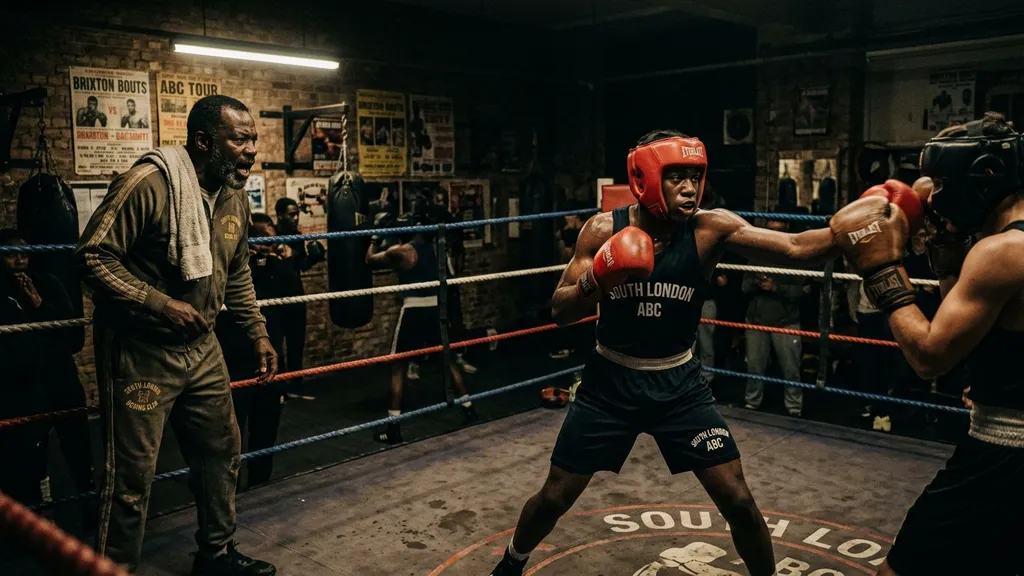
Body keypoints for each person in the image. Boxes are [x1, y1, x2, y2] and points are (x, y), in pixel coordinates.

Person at [489, 129, 853, 576]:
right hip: (609, 385)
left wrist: (855, 228)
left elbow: (795, 247)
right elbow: (560, 311)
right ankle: (511, 564)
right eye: (676, 176)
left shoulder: (709, 229)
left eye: (695, 176)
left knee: (737, 499)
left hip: (680, 386)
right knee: (556, 496)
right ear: (645, 179)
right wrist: (597, 279)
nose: (689, 187)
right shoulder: (604, 229)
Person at [75, 94, 278, 575]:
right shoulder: (149, 183)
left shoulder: (232, 196)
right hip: (140, 348)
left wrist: (257, 332)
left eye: (254, 139)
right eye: (240, 139)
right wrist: (159, 302)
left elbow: (238, 271)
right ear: (205, 141)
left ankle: (216, 554)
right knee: (131, 476)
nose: (251, 150)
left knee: (221, 453)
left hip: (203, 347)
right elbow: (91, 256)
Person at [829, 112, 1024, 576]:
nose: (934, 196)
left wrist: (881, 270)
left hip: (1005, 452)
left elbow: (930, 356)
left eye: (940, 182)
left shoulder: (1002, 252)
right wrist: (946, 247)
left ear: (981, 177)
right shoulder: (1006, 243)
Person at [365, 194, 477, 445]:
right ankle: (469, 410)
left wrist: (376, 235)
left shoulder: (402, 251)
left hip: (413, 311)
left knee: (397, 367)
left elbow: (369, 259)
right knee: (448, 361)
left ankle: (393, 429)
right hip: (436, 310)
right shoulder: (437, 249)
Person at [0, 228, 92, 512]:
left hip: (61, 381)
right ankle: (42, 520)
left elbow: (72, 335)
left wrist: (38, 304)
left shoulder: (48, 284)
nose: (19, 260)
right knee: (31, 462)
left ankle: (91, 513)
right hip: (23, 390)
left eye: (24, 253)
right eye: (11, 254)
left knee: (79, 451)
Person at [216, 214, 288, 489]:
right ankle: (227, 491)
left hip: (268, 362)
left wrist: (295, 366)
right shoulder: (230, 274)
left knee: (266, 429)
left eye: (271, 242)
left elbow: (295, 318)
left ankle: (260, 485)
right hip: (234, 364)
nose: (265, 249)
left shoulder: (280, 271)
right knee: (229, 433)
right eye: (261, 242)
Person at [741, 220, 807, 417]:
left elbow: (803, 292)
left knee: (791, 369)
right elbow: (743, 287)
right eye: (770, 230)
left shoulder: (794, 257)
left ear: (786, 230)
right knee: (754, 367)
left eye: (778, 230)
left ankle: (794, 407)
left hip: (786, 322)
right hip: (757, 321)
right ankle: (752, 402)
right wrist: (757, 283)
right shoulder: (756, 257)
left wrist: (776, 288)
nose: (774, 234)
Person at [273, 197, 324, 401]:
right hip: (275, 298)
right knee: (276, 345)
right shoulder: (270, 235)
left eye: (297, 214)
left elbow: (299, 266)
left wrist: (313, 257)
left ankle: (296, 385)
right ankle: (279, 387)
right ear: (280, 215)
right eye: (291, 214)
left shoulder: (297, 237)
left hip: (295, 295)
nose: (295, 217)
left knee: (296, 343)